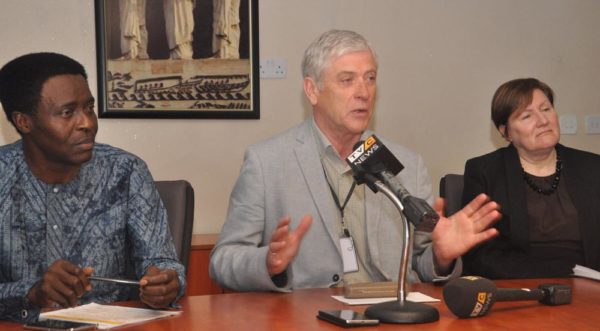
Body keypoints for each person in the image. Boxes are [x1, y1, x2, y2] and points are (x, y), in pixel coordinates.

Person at [209, 29, 501, 292]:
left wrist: (441, 256)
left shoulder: (407, 164)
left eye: (370, 78)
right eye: (347, 80)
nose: (363, 92)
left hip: (391, 314)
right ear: (312, 90)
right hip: (309, 317)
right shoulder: (267, 162)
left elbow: (422, 264)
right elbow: (223, 260)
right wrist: (268, 263)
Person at [0, 52, 186, 322]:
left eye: (89, 107)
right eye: (67, 113)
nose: (87, 123)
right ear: (24, 121)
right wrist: (31, 291)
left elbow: (163, 263)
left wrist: (166, 284)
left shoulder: (125, 172)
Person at [461, 78, 600, 279]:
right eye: (527, 116)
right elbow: (480, 256)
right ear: (505, 131)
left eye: (546, 109)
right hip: (521, 288)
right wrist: (557, 275)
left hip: (590, 291)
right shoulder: (485, 171)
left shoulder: (592, 167)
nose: (543, 121)